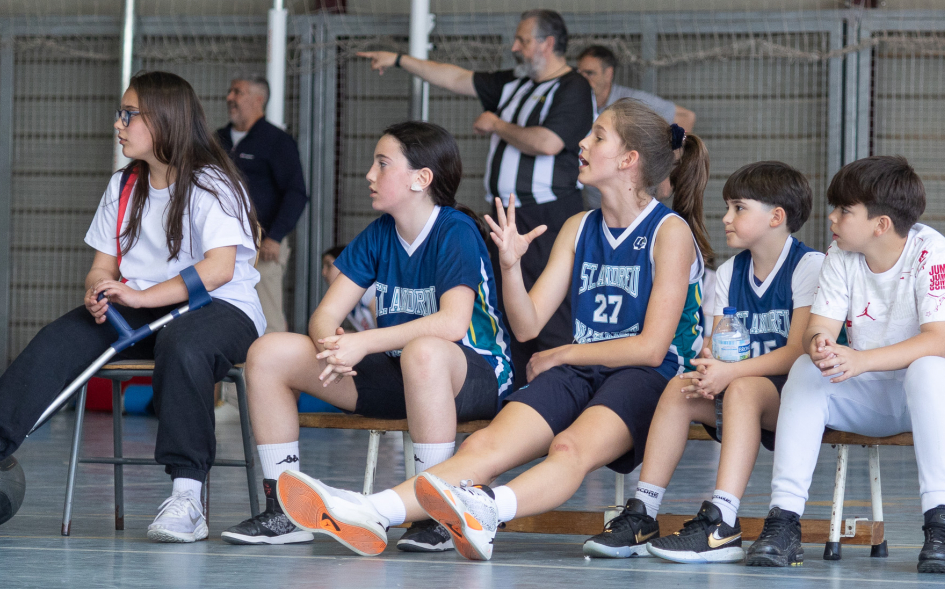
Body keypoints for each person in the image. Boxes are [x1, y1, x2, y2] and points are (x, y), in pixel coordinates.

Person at [274, 98, 711, 561]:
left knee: (569, 447)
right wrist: (510, 266)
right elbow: (527, 325)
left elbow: (651, 348)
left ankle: (485, 509)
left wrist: (562, 354)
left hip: (650, 376)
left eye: (597, 136)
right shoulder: (578, 226)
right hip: (583, 368)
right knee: (483, 445)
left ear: (628, 160)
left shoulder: (669, 232)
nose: (582, 143)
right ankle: (371, 510)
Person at [0, 71, 264, 543]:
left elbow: (219, 269)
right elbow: (102, 266)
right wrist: (98, 289)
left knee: (183, 345)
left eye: (128, 114)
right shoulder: (124, 186)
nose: (118, 123)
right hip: (146, 306)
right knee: (63, 336)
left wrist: (139, 297)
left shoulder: (212, 182)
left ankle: (187, 497)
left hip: (221, 308)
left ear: (164, 119)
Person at [222, 122, 512, 551]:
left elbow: (452, 324)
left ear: (421, 178)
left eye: (382, 164)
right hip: (403, 372)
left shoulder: (455, 230)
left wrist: (363, 342)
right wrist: (334, 346)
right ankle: (284, 510)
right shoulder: (379, 233)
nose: (369, 175)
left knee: (424, 352)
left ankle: (435, 515)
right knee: (269, 351)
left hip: (473, 374)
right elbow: (325, 315)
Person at [745, 156, 945, 573]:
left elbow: (935, 342)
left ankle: (940, 528)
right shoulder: (840, 254)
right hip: (878, 392)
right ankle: (783, 522)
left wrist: (860, 360)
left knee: (927, 369)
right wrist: (819, 343)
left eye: (844, 210)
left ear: (880, 225)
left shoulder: (933, 252)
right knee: (806, 369)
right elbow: (818, 327)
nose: (832, 218)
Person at [582, 161, 824, 562]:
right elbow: (719, 342)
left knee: (742, 389)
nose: (725, 218)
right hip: (746, 387)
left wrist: (731, 372)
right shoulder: (729, 271)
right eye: (727, 207)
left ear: (776, 217)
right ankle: (643, 514)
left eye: (738, 208)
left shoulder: (809, 265)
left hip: (801, 397)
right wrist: (710, 362)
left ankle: (722, 522)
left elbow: (798, 351)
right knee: (680, 388)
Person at [357, 10, 593, 381]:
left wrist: (497, 124)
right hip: (505, 214)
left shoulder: (573, 86)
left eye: (523, 40)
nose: (514, 47)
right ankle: (516, 389)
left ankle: (558, 388)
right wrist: (400, 60)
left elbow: (548, 142)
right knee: (508, 305)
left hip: (547, 214)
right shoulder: (514, 82)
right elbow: (455, 77)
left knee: (549, 310)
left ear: (547, 44)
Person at [217, 75, 308, 333]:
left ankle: (276, 359)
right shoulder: (218, 140)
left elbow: (296, 193)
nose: (230, 98)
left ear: (259, 99)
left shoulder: (277, 141)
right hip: (221, 244)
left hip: (263, 245)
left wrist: (275, 237)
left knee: (268, 316)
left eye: (238, 92)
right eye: (230, 91)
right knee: (222, 313)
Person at [577, 45, 697, 210]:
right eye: (579, 74)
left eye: (590, 73)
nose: (582, 79)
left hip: (632, 204)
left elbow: (685, 117)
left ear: (608, 74)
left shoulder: (629, 101)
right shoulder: (574, 101)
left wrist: (667, 170)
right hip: (594, 203)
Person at [322, 245, 375, 331]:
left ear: (345, 265)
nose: (323, 272)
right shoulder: (344, 300)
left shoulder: (367, 288)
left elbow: (385, 330)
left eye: (329, 265)